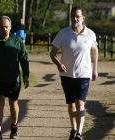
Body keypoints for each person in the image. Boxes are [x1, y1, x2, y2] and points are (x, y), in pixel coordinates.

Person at [50, 6, 98, 140]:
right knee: (71, 104)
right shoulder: (63, 33)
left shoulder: (90, 34)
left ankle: (79, 133)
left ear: (83, 18)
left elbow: (95, 50)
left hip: (84, 74)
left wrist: (94, 69)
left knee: (80, 103)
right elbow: (52, 53)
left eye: (77, 16)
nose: (75, 19)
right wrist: (59, 64)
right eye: (72, 16)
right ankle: (73, 129)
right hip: (67, 75)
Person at [0, 16, 29, 140]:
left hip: (13, 79)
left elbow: (24, 58)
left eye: (6, 26)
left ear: (10, 27)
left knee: (13, 104)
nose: (4, 29)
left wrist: (25, 75)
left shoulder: (17, 41)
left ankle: (14, 126)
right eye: (2, 27)